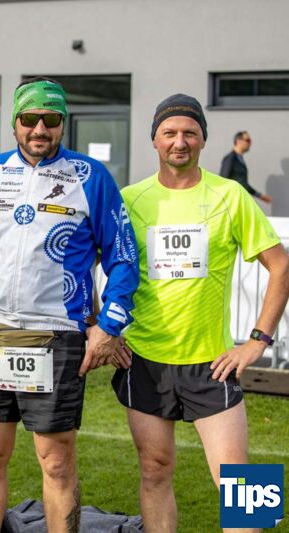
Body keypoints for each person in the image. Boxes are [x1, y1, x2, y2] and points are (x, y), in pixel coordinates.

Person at [0, 77, 139, 533]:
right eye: (29, 118)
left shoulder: (89, 176)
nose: (39, 128)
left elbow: (123, 255)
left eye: (51, 118)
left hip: (55, 335)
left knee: (57, 462)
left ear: (63, 122)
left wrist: (109, 325)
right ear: (15, 122)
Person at [114, 94, 289, 532]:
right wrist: (103, 328)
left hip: (213, 362)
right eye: (169, 133)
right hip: (145, 360)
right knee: (154, 471)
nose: (180, 142)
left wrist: (257, 341)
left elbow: (281, 265)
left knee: (241, 478)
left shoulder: (230, 195)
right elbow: (86, 261)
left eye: (190, 133)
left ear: (203, 140)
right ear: (155, 140)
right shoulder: (129, 199)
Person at [220, 131, 272, 204]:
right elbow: (223, 181)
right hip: (232, 202)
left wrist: (260, 195)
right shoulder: (230, 159)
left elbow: (243, 184)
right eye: (248, 140)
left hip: (239, 200)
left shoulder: (239, 159)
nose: (250, 143)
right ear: (238, 141)